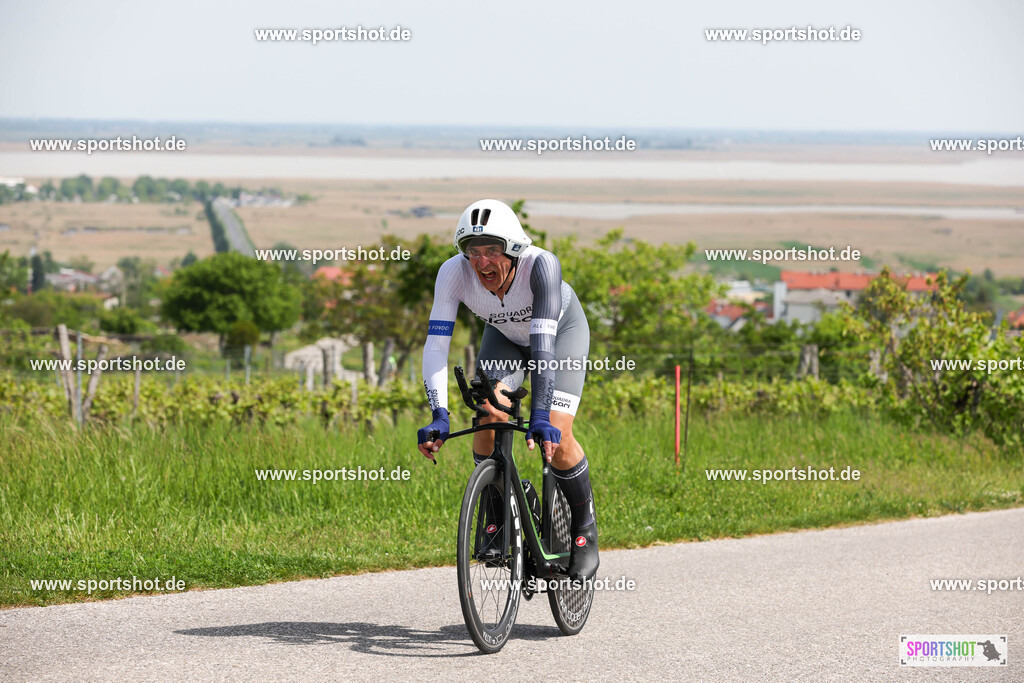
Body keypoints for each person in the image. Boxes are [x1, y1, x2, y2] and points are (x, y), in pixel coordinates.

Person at [416, 199, 599, 582]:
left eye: (493, 251)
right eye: (473, 252)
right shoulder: (452, 273)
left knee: (558, 431)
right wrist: (439, 414)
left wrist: (540, 414)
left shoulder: (541, 265)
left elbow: (543, 345)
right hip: (503, 338)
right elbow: (436, 346)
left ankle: (585, 531)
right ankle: (497, 516)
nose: (482, 262)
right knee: (489, 412)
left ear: (513, 250)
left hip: (558, 336)